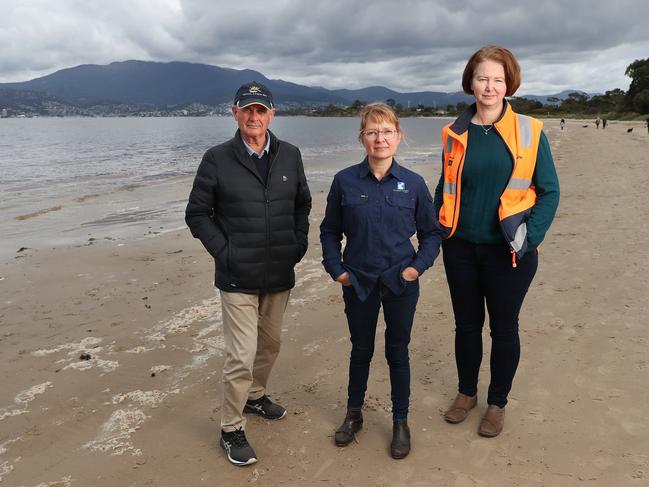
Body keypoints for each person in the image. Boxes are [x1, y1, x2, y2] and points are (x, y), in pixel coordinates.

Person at [434, 46, 560, 437]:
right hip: (460, 249)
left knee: (504, 329)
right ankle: (466, 393)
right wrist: (438, 227)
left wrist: (529, 238)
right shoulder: (454, 131)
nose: (490, 86)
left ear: (509, 84)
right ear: (470, 82)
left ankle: (497, 403)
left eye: (498, 79)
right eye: (482, 78)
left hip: (509, 251)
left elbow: (550, 191)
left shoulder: (529, 130)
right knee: (466, 326)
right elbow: (446, 186)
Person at [186, 81, 312, 466]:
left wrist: (297, 245)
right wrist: (226, 253)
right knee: (241, 354)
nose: (254, 117)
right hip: (237, 275)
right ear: (235, 113)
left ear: (273, 114)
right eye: (248, 110)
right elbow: (197, 214)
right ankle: (230, 428)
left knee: (270, 345)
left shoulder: (290, 155)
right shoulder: (217, 158)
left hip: (278, 272)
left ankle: (256, 397)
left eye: (261, 110)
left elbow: (302, 206)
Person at [320, 103, 443, 459]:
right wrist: (337, 269)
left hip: (400, 282)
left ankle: (400, 421)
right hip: (358, 281)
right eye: (372, 132)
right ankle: (353, 414)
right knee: (361, 349)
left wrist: (415, 269)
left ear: (399, 136)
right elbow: (330, 231)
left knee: (397, 351)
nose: (380, 138)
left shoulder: (414, 184)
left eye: (387, 131)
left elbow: (432, 234)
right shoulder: (344, 181)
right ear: (362, 138)